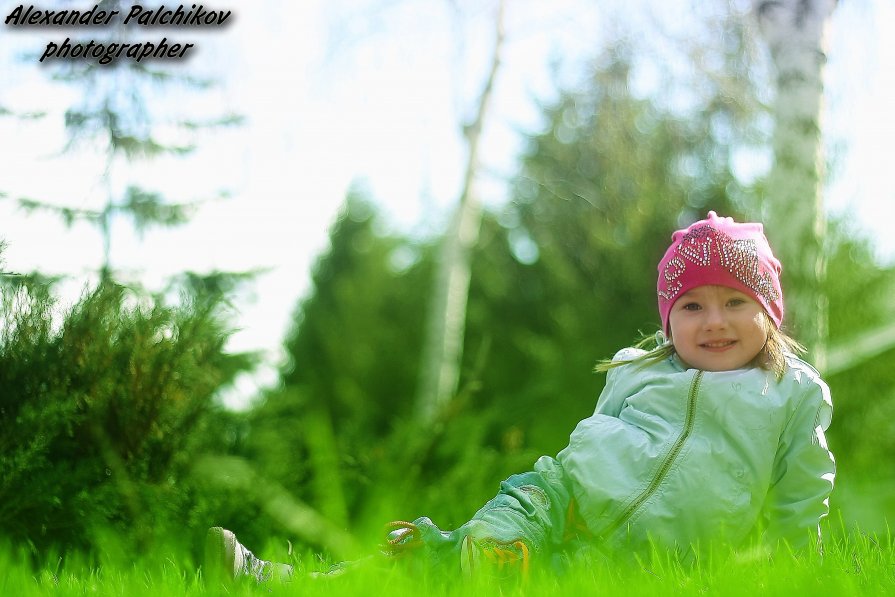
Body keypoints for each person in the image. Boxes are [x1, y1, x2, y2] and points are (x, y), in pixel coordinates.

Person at [205, 211, 836, 582]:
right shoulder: (637, 369)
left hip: (639, 562)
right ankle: (291, 585)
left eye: (735, 303)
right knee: (463, 555)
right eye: (692, 305)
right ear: (668, 320)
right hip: (557, 499)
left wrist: (790, 577)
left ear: (770, 314)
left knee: (510, 582)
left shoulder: (790, 396)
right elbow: (592, 440)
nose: (713, 321)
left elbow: (800, 501)